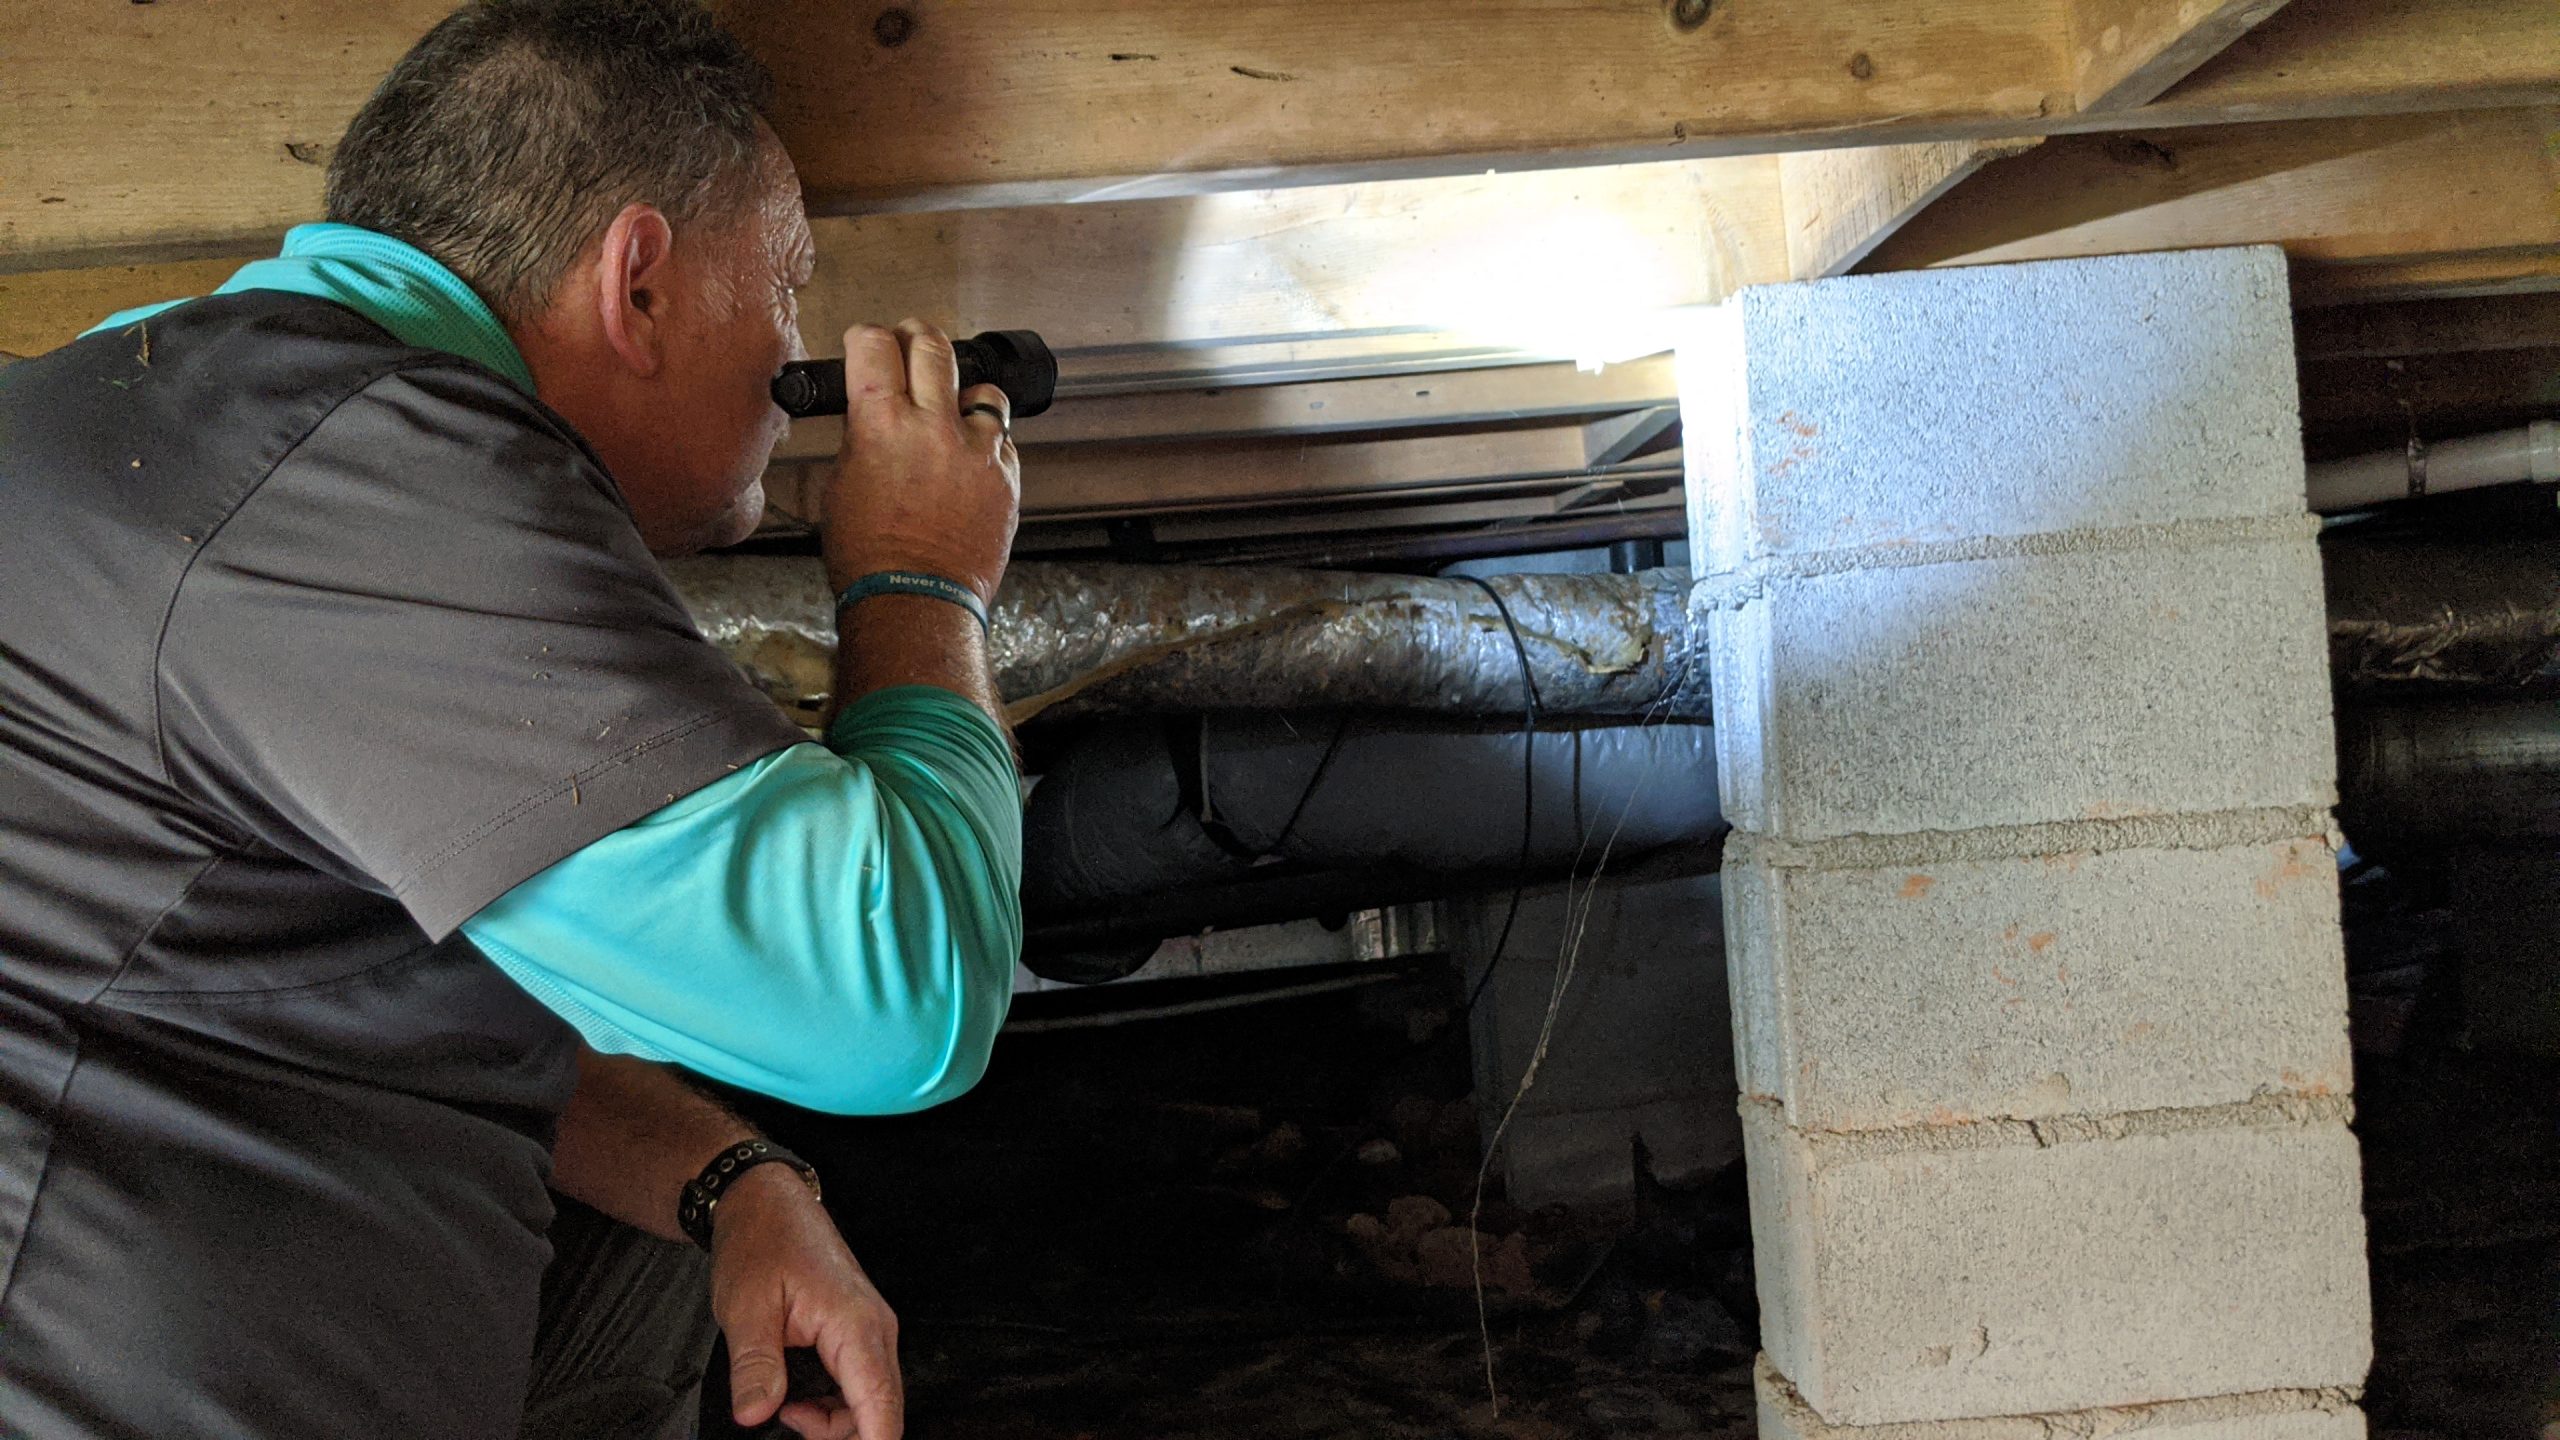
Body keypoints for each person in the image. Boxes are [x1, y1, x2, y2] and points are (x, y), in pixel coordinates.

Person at [0, 3, 1022, 1437]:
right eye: (787, 282)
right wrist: (923, 583)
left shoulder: (188, 395)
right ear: (640, 281)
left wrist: (736, 1183)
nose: (795, 353)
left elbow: (366, 983)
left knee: (671, 1281)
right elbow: (894, 1002)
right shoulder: (359, 478)